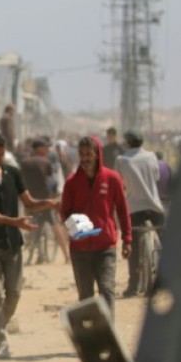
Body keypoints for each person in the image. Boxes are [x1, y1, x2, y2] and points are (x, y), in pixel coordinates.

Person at [0, 132, 58, 359]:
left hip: (13, 244)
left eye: (2, 153)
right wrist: (13, 221)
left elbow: (29, 203)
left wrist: (48, 203)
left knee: (14, 293)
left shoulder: (13, 174)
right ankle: (1, 340)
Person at [61, 137, 132, 317]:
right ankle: (91, 338)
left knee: (107, 291)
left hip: (105, 247)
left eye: (89, 154)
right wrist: (75, 226)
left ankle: (109, 336)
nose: (85, 158)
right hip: (79, 249)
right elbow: (64, 212)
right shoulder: (71, 183)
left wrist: (127, 239)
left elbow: (123, 210)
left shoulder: (112, 179)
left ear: (97, 154)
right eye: (82, 154)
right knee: (85, 298)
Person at [115, 129, 165, 297]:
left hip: (134, 208)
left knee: (133, 250)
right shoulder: (151, 156)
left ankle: (133, 287)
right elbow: (156, 177)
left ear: (127, 142)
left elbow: (119, 182)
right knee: (166, 243)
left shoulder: (121, 160)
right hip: (154, 206)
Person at [19, 139, 70, 264]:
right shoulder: (46, 161)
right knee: (55, 227)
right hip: (44, 200)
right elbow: (50, 181)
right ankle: (66, 256)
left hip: (29, 200)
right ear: (39, 149)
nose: (47, 150)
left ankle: (32, 252)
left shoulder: (24, 162)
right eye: (45, 148)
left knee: (31, 225)